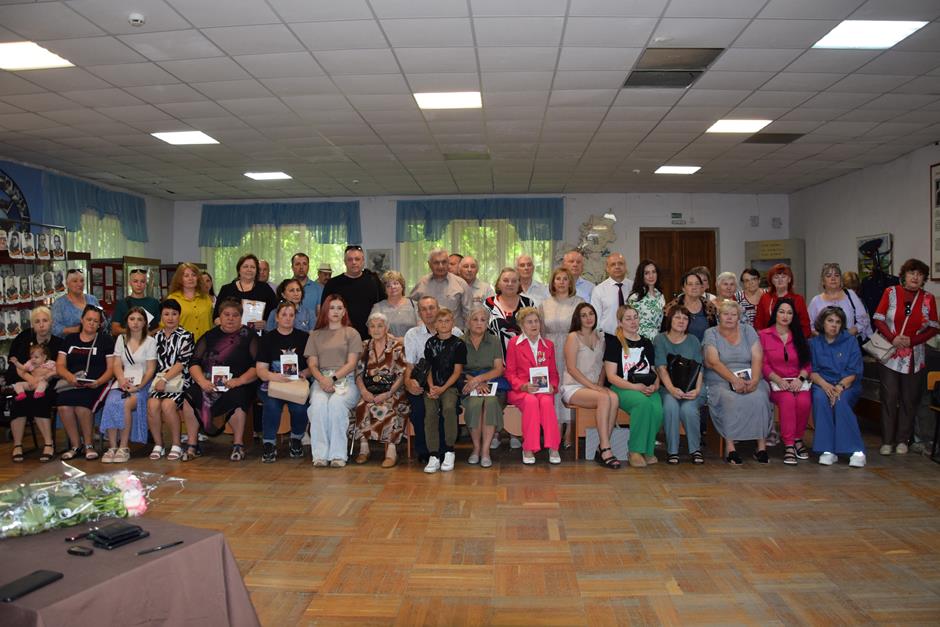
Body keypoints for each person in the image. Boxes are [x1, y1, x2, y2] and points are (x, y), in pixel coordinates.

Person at [873, 257, 939, 455]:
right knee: (889, 397)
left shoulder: (928, 298)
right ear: (904, 275)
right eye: (911, 273)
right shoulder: (891, 292)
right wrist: (893, 338)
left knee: (909, 399)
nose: (915, 277)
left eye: (920, 274)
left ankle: (903, 440)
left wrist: (913, 341)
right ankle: (887, 441)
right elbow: (878, 319)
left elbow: (934, 327)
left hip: (915, 356)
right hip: (890, 354)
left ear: (924, 279)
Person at [186, 299, 258, 461]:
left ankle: (238, 445)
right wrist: (202, 382)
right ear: (220, 316)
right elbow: (194, 362)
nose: (230, 318)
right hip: (209, 382)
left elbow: (257, 366)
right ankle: (192, 445)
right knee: (190, 396)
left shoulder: (249, 336)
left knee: (238, 397)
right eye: (227, 315)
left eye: (235, 315)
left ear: (241, 317)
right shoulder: (209, 335)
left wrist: (239, 381)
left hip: (239, 383)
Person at [702, 300, 773, 465]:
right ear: (719, 316)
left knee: (760, 397)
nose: (729, 318)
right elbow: (713, 361)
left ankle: (761, 448)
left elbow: (757, 356)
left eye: (733, 315)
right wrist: (734, 380)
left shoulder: (748, 330)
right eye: (725, 314)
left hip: (749, 376)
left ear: (739, 317)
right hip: (721, 377)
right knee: (729, 399)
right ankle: (731, 448)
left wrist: (755, 380)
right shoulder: (711, 333)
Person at [403, 296, 463, 463]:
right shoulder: (412, 334)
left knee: (448, 406)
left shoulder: (456, 333)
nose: (428, 312)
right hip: (422, 379)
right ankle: (426, 451)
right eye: (424, 309)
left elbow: (460, 366)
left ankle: (445, 449)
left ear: (438, 309)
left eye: (431, 308)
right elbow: (409, 366)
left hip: (448, 381)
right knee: (419, 409)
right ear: (419, 313)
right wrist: (408, 382)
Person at [305, 294, 362, 467]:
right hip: (321, 379)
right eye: (332, 308)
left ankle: (338, 455)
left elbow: (352, 363)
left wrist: (333, 378)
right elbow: (312, 364)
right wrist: (323, 380)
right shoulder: (315, 335)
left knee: (336, 404)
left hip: (346, 380)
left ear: (344, 311)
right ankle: (320, 455)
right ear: (325, 311)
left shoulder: (352, 333)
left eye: (339, 308)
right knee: (318, 406)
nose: (336, 311)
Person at [561, 303, 620, 468]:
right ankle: (606, 449)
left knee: (614, 398)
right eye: (584, 315)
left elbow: (603, 365)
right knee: (604, 398)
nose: (588, 318)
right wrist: (594, 387)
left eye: (591, 314)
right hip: (573, 386)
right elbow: (571, 369)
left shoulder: (601, 337)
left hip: (593, 386)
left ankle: (601, 447)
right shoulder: (573, 337)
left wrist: (599, 384)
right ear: (578, 319)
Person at [604, 305, 663, 468]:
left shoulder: (646, 342)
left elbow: (653, 370)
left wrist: (655, 385)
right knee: (642, 404)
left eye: (635, 317)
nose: (633, 321)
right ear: (620, 322)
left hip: (646, 386)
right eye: (628, 319)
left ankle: (648, 450)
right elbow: (611, 376)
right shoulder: (614, 343)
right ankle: (635, 451)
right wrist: (635, 387)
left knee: (657, 409)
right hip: (622, 387)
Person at [56, 305, 115, 461]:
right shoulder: (70, 340)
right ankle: (76, 446)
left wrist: (99, 382)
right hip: (72, 383)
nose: (91, 323)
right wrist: (69, 377)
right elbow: (60, 365)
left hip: (97, 384)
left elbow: (111, 369)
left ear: (99, 324)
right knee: (63, 405)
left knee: (82, 406)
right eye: (89, 319)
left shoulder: (105, 340)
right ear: (82, 320)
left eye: (95, 321)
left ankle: (89, 445)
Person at [810, 307, 866, 467]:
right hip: (821, 383)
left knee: (841, 400)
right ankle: (827, 450)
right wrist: (826, 386)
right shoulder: (813, 343)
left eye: (838, 322)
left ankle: (855, 450)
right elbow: (811, 371)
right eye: (830, 321)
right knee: (820, 398)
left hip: (847, 384)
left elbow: (854, 371)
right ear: (822, 323)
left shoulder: (850, 341)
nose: (834, 325)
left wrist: (839, 387)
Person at [99, 307, 157, 463]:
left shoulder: (150, 342)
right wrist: (121, 379)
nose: (135, 323)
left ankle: (124, 447)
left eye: (139, 319)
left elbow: (151, 369)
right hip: (123, 381)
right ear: (127, 322)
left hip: (143, 384)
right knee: (111, 402)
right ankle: (112, 447)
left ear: (145, 323)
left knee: (125, 404)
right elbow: (116, 364)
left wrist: (139, 387)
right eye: (132, 319)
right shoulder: (121, 339)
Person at [5, 306, 63, 463]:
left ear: (51, 322)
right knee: (19, 400)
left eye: (45, 321)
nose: (41, 325)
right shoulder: (24, 339)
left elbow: (61, 368)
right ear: (32, 325)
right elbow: (15, 365)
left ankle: (48, 444)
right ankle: (17, 445)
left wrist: (44, 379)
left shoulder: (59, 343)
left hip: (49, 384)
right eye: (37, 322)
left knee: (40, 398)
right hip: (26, 381)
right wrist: (30, 380)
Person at [759, 299, 812, 465]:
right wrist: (778, 380)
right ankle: (788, 444)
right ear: (775, 314)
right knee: (788, 399)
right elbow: (762, 364)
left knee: (804, 401)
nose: (785, 316)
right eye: (781, 312)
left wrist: (800, 379)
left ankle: (797, 439)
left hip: (797, 381)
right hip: (774, 382)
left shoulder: (799, 335)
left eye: (789, 313)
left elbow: (807, 363)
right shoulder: (763, 335)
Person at [353, 312, 409, 468]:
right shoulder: (364, 346)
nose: (376, 329)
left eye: (380, 326)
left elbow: (402, 374)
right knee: (361, 405)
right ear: (368, 329)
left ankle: (391, 451)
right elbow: (358, 373)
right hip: (370, 390)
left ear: (386, 328)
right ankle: (364, 448)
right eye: (372, 326)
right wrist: (364, 392)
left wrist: (388, 393)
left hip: (394, 390)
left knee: (389, 406)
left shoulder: (397, 347)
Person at [257, 301, 310, 463]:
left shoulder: (304, 338)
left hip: (296, 385)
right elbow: (261, 370)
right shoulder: (267, 339)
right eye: (284, 315)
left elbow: (312, 366)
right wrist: (275, 377)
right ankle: (269, 443)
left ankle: (296, 439)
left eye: (291, 315)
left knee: (300, 407)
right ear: (277, 317)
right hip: (273, 384)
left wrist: (304, 373)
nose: (288, 318)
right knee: (272, 405)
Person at [505, 307, 561, 465]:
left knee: (546, 401)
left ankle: (553, 447)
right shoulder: (514, 343)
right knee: (531, 401)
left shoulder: (548, 345)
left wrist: (552, 386)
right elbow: (510, 373)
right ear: (521, 325)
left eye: (536, 321)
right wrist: (523, 386)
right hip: (521, 390)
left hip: (542, 390)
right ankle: (528, 448)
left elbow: (554, 373)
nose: (534, 325)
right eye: (529, 322)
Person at [654, 305, 705, 465]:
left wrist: (697, 389)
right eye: (677, 317)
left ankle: (695, 449)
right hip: (667, 387)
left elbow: (700, 368)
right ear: (670, 319)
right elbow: (661, 368)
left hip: (692, 387)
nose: (681, 321)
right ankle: (672, 451)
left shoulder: (693, 340)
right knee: (671, 405)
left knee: (688, 409)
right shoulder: (660, 339)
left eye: (685, 318)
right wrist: (671, 389)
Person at [539, 267, 583, 448]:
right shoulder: (544, 304)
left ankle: (571, 428)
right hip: (550, 349)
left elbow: (584, 327)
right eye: (558, 279)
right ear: (553, 282)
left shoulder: (578, 303)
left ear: (570, 282)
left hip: (572, 347)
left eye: (565, 279)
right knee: (554, 386)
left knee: (570, 384)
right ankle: (555, 427)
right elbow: (540, 331)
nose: (562, 282)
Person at [147, 299, 195, 462]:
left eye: (174, 314)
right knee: (152, 405)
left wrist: (165, 379)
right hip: (159, 381)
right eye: (166, 314)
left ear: (179, 316)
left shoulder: (186, 336)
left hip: (180, 381)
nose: (170, 317)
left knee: (167, 405)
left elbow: (182, 362)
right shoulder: (156, 337)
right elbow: (152, 363)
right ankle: (158, 444)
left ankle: (176, 444)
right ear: (161, 316)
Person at [421, 308, 466, 473]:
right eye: (440, 321)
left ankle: (449, 450)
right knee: (430, 413)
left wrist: (443, 388)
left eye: (447, 321)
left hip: (450, 386)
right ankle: (433, 454)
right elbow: (428, 368)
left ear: (453, 323)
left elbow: (457, 372)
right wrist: (431, 386)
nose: (444, 324)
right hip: (433, 386)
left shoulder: (459, 344)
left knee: (448, 408)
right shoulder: (430, 343)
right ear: (435, 324)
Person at [461, 305, 505, 468]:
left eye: (483, 320)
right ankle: (476, 448)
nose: (479, 323)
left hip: (492, 382)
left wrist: (479, 379)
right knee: (475, 404)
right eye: (475, 319)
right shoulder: (460, 341)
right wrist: (473, 382)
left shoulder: (494, 340)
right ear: (468, 322)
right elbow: (458, 370)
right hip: (468, 383)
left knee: (490, 402)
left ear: (487, 323)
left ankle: (485, 451)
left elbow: (499, 369)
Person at [321, 245, 385, 339]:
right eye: (350, 259)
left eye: (357, 259)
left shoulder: (373, 281)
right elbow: (324, 312)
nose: (354, 262)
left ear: (363, 261)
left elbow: (383, 307)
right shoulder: (333, 284)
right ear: (345, 262)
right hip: (340, 337)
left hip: (369, 336)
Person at [410, 247, 473, 329]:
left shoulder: (461, 284)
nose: (441, 266)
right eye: (436, 263)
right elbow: (411, 306)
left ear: (448, 263)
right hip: (427, 334)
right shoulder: (422, 283)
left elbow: (469, 314)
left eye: (444, 262)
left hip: (454, 333)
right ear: (429, 264)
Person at [213, 254, 278, 331]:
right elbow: (216, 316)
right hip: (230, 335)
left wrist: (266, 323)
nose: (249, 269)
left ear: (256, 271)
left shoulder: (265, 288)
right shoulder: (226, 289)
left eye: (252, 267)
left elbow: (277, 312)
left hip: (257, 335)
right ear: (239, 270)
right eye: (245, 266)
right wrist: (228, 327)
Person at [808, 262, 871, 340]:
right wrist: (826, 339)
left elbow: (864, 321)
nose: (833, 278)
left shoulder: (850, 295)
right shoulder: (816, 301)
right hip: (824, 345)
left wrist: (846, 335)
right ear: (823, 281)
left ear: (840, 279)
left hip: (849, 343)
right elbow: (809, 326)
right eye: (828, 276)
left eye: (837, 275)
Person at [485, 267, 534, 358]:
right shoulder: (488, 304)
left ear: (519, 284)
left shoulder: (528, 303)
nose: (510, 284)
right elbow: (481, 332)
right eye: (505, 280)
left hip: (524, 357)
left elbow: (534, 330)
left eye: (514, 281)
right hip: (494, 358)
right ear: (498, 283)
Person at [754, 263, 811, 337]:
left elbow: (806, 327)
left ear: (789, 279)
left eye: (783, 277)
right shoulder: (765, 298)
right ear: (772, 281)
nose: (780, 280)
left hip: (793, 341)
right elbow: (759, 325)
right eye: (776, 277)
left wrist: (794, 340)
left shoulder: (798, 299)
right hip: (768, 340)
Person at [665, 272, 717, 341]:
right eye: (690, 284)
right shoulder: (671, 307)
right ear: (683, 288)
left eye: (697, 284)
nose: (694, 287)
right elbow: (665, 333)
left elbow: (714, 332)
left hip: (706, 346)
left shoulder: (710, 306)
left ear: (701, 287)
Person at [168, 263, 214, 341]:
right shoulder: (173, 298)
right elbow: (166, 325)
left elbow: (211, 322)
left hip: (205, 343)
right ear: (180, 279)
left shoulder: (206, 298)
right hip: (182, 344)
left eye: (193, 275)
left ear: (198, 278)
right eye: (186, 276)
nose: (190, 278)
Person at [591, 253, 632, 335]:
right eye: (613, 264)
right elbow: (596, 318)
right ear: (607, 269)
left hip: (631, 335)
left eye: (620, 263)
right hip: (608, 336)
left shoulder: (634, 287)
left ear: (625, 267)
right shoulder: (599, 290)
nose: (617, 267)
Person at [52, 269, 101, 337]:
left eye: (82, 281)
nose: (80, 284)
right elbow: (54, 329)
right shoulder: (59, 304)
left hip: (93, 340)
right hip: (68, 342)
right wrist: (78, 329)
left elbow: (102, 321)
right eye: (75, 281)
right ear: (67, 284)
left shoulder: (92, 299)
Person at [111, 268, 160, 335]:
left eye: (142, 281)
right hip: (128, 340)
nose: (139, 285)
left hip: (149, 340)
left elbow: (162, 326)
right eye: (135, 281)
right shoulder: (122, 303)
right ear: (130, 283)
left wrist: (150, 334)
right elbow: (114, 329)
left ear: (146, 284)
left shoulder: (154, 303)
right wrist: (134, 331)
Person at [370, 270, 418, 338]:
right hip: (388, 343)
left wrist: (405, 340)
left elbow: (421, 328)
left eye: (396, 283)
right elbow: (373, 330)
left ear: (402, 286)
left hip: (413, 343)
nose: (392, 287)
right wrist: (395, 340)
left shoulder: (415, 305)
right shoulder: (378, 307)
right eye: (388, 286)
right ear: (385, 290)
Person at [627, 259, 665, 340]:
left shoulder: (660, 295)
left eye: (653, 272)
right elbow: (628, 323)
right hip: (640, 340)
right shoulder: (635, 297)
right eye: (647, 273)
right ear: (641, 276)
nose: (651, 276)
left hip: (657, 339)